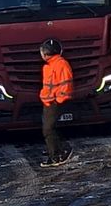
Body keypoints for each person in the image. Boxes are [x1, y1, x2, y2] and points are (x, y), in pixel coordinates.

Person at [38, 38, 74, 168]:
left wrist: (59, 100)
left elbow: (66, 84)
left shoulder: (60, 64)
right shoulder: (49, 66)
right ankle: (55, 152)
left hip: (53, 102)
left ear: (46, 53)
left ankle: (56, 155)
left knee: (48, 129)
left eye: (42, 52)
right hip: (48, 101)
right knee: (49, 129)